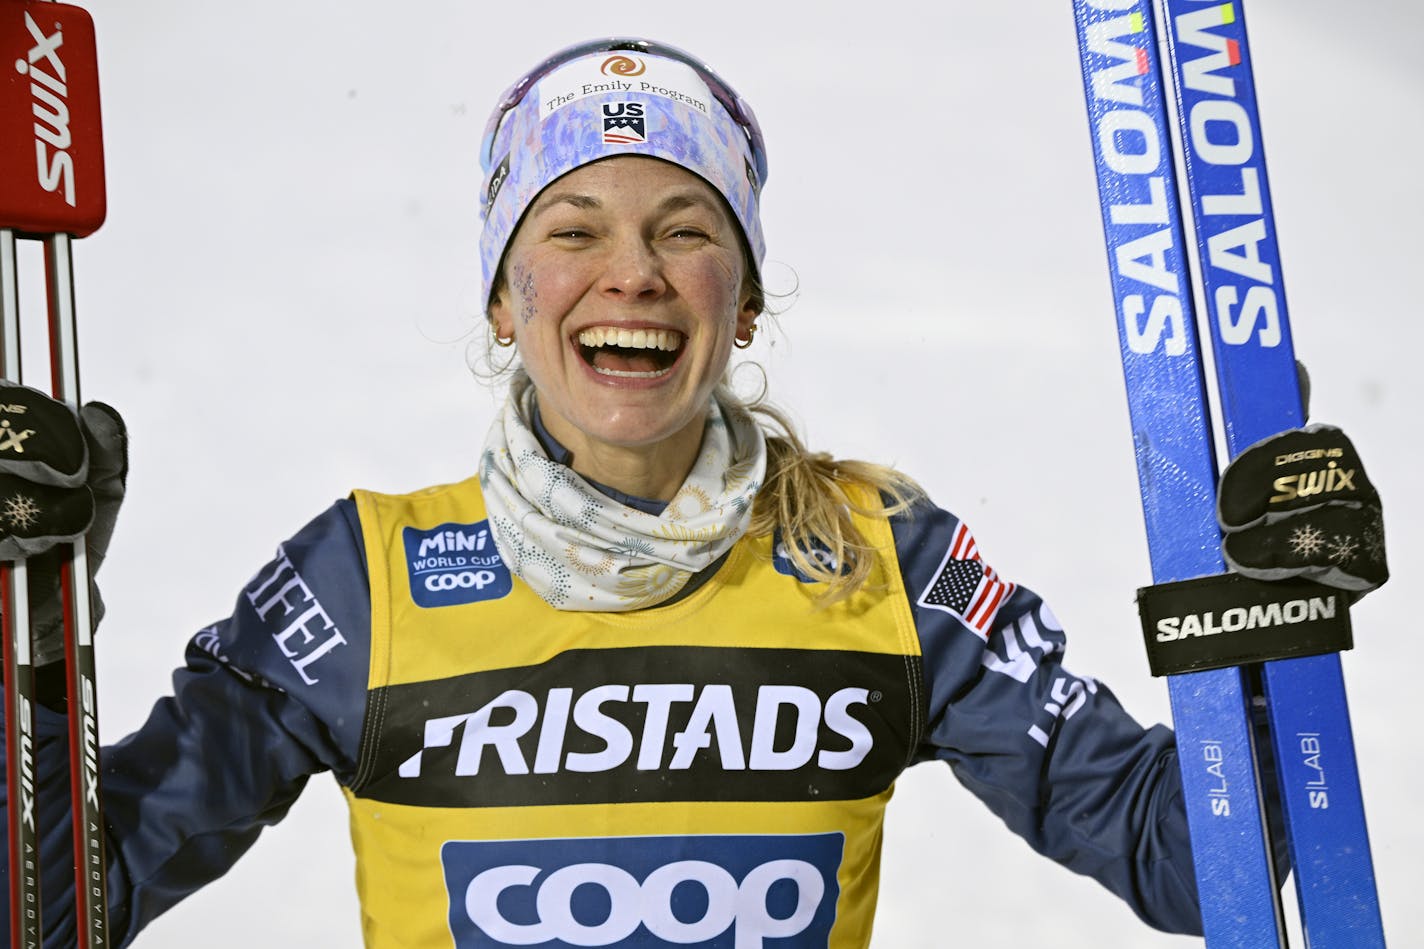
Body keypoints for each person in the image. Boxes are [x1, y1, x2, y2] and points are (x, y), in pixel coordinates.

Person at [0, 37, 1386, 948]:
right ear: (502, 297)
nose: (634, 276)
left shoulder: (875, 561)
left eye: (685, 231)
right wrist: (32, 648)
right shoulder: (364, 581)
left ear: (747, 294)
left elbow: (1190, 858)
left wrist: (1262, 633)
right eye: (571, 230)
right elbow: (64, 904)